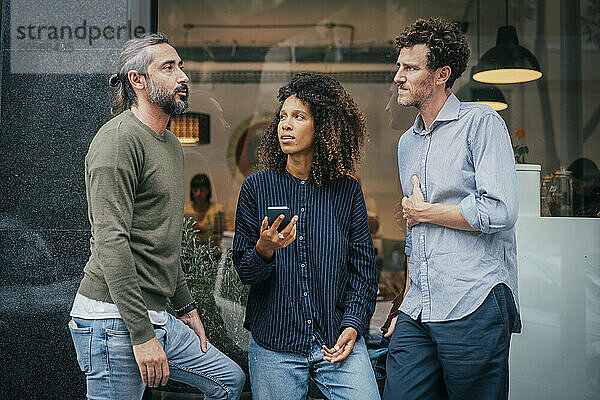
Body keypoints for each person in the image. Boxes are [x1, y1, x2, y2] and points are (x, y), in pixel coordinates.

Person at [68, 33, 245, 399]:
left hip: (158, 315)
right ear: (138, 81)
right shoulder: (118, 140)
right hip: (112, 318)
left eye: (181, 66)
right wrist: (141, 334)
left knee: (229, 380)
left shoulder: (170, 145)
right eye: (169, 67)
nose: (183, 76)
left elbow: (165, 238)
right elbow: (111, 241)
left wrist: (186, 307)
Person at [382, 18, 521, 400]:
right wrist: (405, 301)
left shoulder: (482, 123)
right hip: (419, 307)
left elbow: (499, 210)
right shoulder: (407, 143)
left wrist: (427, 212)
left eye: (410, 68)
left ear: (442, 74)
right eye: (399, 66)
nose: (398, 76)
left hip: (472, 301)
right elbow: (415, 233)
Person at [232, 72, 380, 400]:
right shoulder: (256, 188)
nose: (286, 125)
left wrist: (353, 324)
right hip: (275, 346)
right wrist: (264, 249)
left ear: (323, 127)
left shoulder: (347, 191)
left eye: (299, 117)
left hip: (335, 339)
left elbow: (365, 273)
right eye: (282, 117)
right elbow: (245, 272)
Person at [184, 173, 233, 243]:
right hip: (191, 250)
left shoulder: (218, 209)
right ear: (191, 192)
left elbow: (229, 232)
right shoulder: (185, 210)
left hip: (214, 249)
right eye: (195, 190)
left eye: (201, 190)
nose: (198, 194)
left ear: (207, 190)